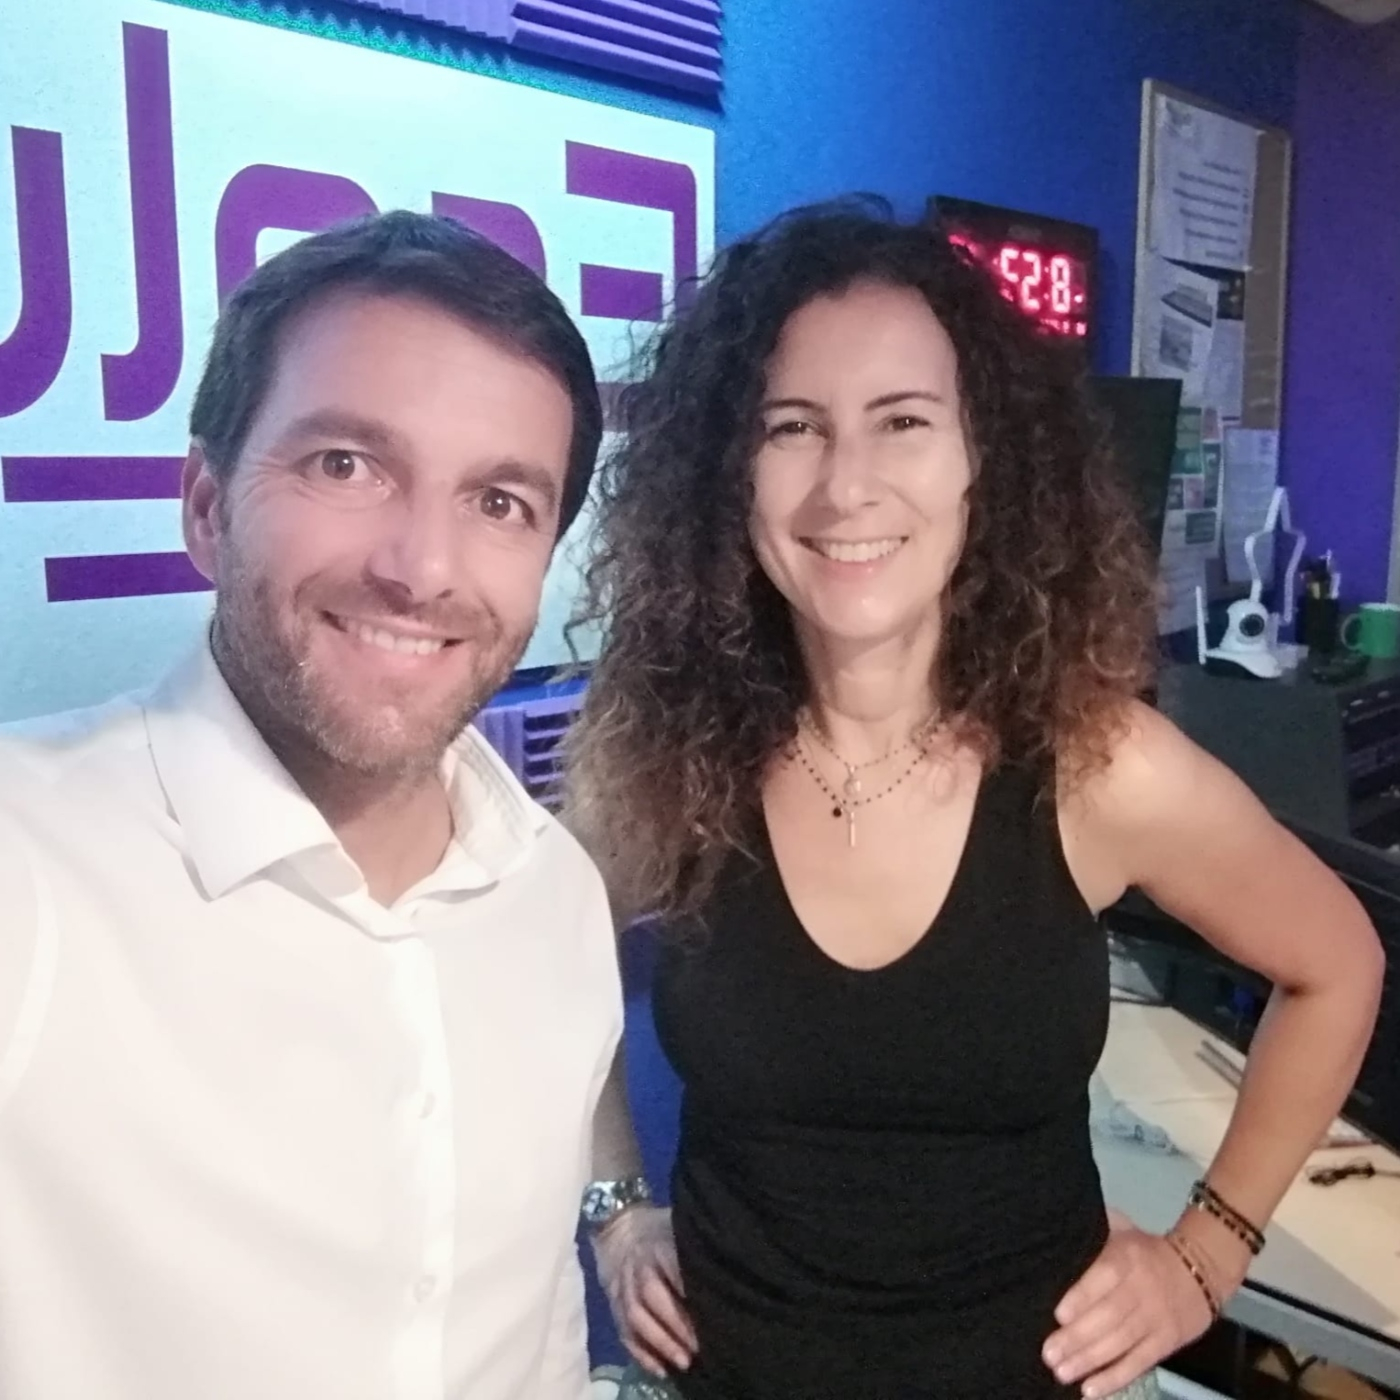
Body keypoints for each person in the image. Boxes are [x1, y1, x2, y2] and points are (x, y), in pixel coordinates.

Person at [563, 201, 1384, 1400]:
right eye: (791, 427)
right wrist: (613, 1204)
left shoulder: (1098, 765)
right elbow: (543, 952)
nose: (846, 484)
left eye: (902, 420)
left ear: (978, 460)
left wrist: (1205, 1253)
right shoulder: (664, 756)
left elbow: (1337, 963)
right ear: (726, 471)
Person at [0, 212, 620, 1400]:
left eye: (499, 501)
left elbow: (531, 1329)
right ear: (205, 503)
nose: (421, 568)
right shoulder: (30, 865)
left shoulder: (554, 892)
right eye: (346, 464)